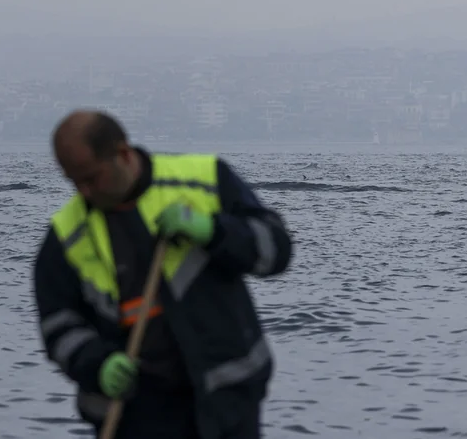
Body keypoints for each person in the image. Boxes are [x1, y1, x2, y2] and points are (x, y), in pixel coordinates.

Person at [32, 110, 292, 439]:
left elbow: (277, 251)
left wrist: (214, 230)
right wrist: (98, 364)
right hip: (135, 416)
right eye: (74, 181)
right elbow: (58, 326)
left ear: (123, 154)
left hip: (226, 404)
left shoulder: (205, 180)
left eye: (91, 178)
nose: (83, 191)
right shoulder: (66, 237)